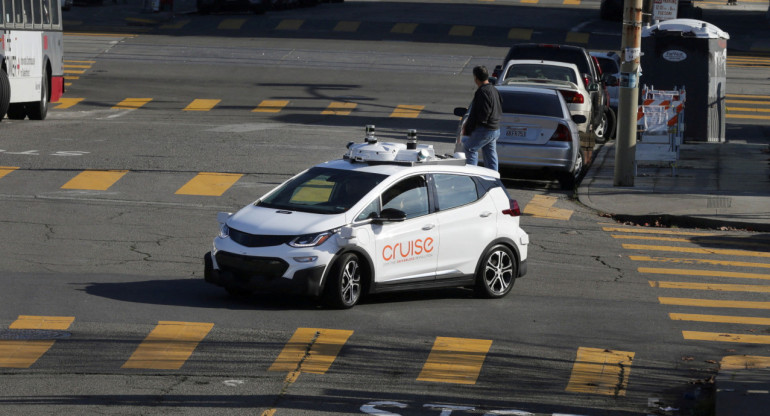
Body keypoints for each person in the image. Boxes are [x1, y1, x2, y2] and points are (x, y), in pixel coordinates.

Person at [460, 66, 503, 171]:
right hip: (495, 129)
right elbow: (499, 106)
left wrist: (473, 126)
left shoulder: (482, 92)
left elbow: (483, 113)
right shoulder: (494, 90)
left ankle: (472, 175)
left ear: (476, 78)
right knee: (490, 153)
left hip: (485, 129)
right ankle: (493, 177)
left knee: (469, 148)